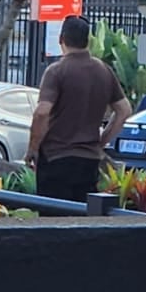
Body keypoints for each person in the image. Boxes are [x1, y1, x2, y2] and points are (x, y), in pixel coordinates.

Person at [26, 14, 132, 205]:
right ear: (88, 40)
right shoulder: (104, 71)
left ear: (61, 39)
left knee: (53, 222)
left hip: (56, 158)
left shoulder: (56, 71)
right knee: (81, 220)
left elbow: (42, 112)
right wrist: (101, 142)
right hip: (89, 159)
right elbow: (124, 110)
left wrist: (33, 148)